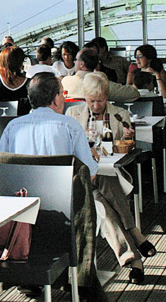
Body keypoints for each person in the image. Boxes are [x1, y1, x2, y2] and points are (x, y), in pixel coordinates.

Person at [2, 74, 153, 282]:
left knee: (100, 197)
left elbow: (1, 168)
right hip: (67, 205)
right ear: (56, 99)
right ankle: (134, 239)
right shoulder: (69, 126)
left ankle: (131, 257)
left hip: (26, 205)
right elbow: (90, 174)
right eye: (62, 94)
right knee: (99, 192)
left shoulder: (12, 127)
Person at [67, 73, 156, 278]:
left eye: (100, 101)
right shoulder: (73, 114)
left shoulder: (120, 115)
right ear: (85, 98)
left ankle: (132, 259)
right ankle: (136, 237)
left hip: (108, 175)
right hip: (82, 176)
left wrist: (128, 138)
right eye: (91, 101)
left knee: (103, 206)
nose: (96, 106)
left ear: (107, 97)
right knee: (103, 191)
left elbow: (127, 149)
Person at [64, 48, 140, 103]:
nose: (74, 62)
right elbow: (134, 93)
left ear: (81, 64)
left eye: (76, 59)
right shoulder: (101, 84)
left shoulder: (65, 82)